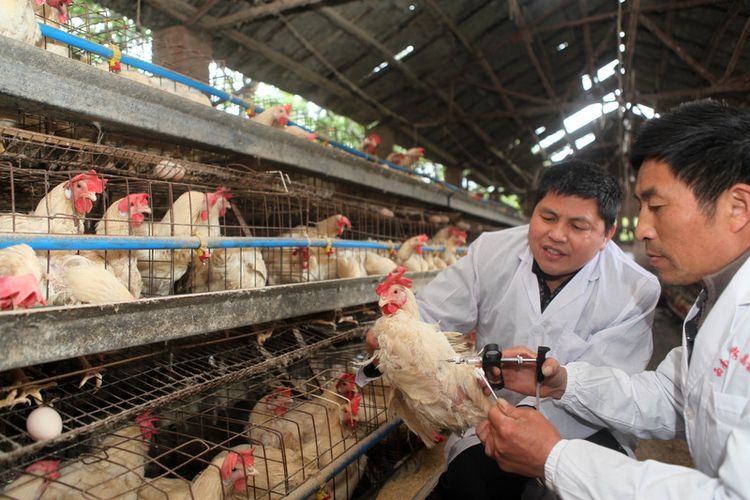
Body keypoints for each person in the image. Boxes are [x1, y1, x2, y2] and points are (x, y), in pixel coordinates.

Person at [477, 99, 750, 498]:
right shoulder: (714, 301)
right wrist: (563, 383)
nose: (641, 229)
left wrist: (554, 458)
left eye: (657, 207)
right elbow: (670, 396)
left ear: (737, 207)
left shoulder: (646, 288)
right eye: (641, 208)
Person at [361, 159, 661, 499]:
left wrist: (530, 423)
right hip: (491, 413)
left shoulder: (635, 289)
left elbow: (610, 387)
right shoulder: (491, 250)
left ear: (607, 234)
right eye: (547, 217)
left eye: (578, 226)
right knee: (469, 486)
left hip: (583, 426)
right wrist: (391, 336)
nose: (557, 235)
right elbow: (429, 315)